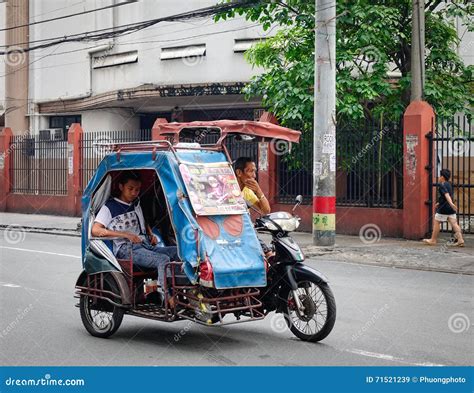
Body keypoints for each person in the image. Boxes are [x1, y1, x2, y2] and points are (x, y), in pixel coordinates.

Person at [91, 171, 179, 304]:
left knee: (178, 252)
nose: (134, 193)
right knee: (163, 260)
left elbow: (143, 222)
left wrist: (150, 234)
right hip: (125, 250)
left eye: (137, 190)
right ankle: (167, 296)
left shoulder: (136, 204)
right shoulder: (110, 207)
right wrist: (126, 235)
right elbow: (96, 230)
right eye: (130, 189)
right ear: (121, 187)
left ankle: (184, 290)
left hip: (144, 246)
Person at [234, 157, 273, 257]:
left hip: (246, 231)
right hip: (230, 231)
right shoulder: (227, 189)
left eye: (254, 172)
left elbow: (266, 210)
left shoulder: (247, 192)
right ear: (239, 172)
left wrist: (259, 191)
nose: (254, 176)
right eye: (250, 171)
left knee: (269, 254)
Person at [423, 168, 464, 247]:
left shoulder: (442, 185)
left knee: (437, 222)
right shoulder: (449, 184)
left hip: (444, 209)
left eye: (440, 176)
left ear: (442, 177)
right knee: (454, 223)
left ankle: (433, 240)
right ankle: (460, 240)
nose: (439, 177)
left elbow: (446, 195)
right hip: (450, 208)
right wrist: (440, 203)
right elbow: (446, 196)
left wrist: (451, 204)